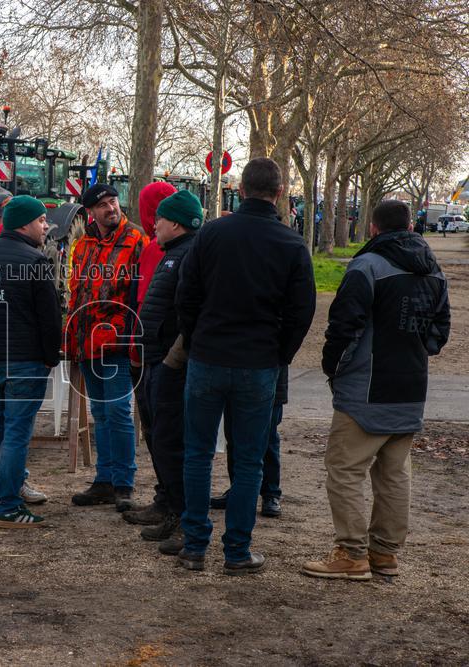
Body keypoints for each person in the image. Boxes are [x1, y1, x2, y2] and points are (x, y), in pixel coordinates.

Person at [176, 157, 316, 575]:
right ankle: (237, 549)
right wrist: (280, 354)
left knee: (198, 454)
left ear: (240, 190)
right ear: (278, 193)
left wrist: (198, 338)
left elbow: (187, 295)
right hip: (259, 361)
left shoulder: (212, 234)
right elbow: (301, 311)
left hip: (209, 356)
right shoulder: (291, 244)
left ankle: (194, 545)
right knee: (250, 459)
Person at [303, 200, 449, 580]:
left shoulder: (367, 266)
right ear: (412, 226)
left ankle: (351, 553)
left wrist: (333, 369)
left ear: (372, 228)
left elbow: (343, 326)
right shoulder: (434, 272)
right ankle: (384, 553)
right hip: (411, 383)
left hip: (366, 387)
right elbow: (439, 333)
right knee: (395, 472)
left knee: (345, 468)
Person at [0, 195, 61, 528]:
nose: (46, 226)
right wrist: (52, 357)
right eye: (40, 220)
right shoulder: (34, 261)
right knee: (16, 433)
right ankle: (8, 507)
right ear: (23, 224)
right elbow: (50, 318)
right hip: (24, 360)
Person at [122, 190, 203, 554]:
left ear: (175, 223)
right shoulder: (173, 253)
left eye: (160, 219)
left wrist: (171, 358)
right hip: (153, 359)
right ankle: (170, 504)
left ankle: (184, 517)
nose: (153, 225)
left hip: (170, 364)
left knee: (173, 443)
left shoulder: (187, 256)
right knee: (158, 438)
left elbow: (188, 313)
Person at [67, 184, 145, 510]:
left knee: (118, 412)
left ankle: (124, 484)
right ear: (90, 212)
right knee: (100, 413)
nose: (110, 208)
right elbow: (76, 291)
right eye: (102, 205)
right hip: (85, 342)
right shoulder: (82, 246)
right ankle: (104, 480)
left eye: (112, 201)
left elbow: (141, 295)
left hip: (117, 341)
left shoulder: (136, 241)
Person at [119, 180, 178, 521]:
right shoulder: (156, 247)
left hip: (152, 352)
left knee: (159, 430)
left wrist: (136, 345)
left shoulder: (158, 249)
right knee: (159, 430)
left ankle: (168, 500)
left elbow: (146, 304)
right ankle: (167, 496)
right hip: (152, 348)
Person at [210, 366, 288, 518]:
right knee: (233, 435)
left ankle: (270, 493)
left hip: (269, 373)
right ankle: (238, 489)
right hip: (237, 375)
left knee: (268, 437)